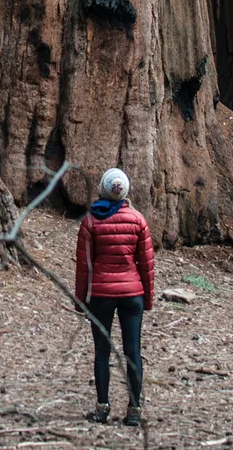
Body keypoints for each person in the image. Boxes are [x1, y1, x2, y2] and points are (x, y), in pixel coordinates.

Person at [74, 168, 155, 427]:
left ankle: (102, 407)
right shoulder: (138, 220)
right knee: (133, 351)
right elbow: (146, 265)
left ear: (103, 188)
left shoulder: (91, 221)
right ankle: (134, 409)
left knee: (102, 352)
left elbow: (84, 265)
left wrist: (80, 300)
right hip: (133, 295)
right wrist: (148, 299)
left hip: (101, 295)